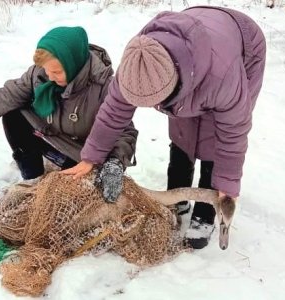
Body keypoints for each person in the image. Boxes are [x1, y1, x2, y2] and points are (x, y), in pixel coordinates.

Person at [61, 6, 266, 249]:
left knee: (212, 140)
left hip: (242, 45)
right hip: (192, 45)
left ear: (175, 83)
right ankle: (177, 197)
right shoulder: (137, 64)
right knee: (183, 128)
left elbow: (233, 134)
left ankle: (205, 212)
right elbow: (113, 112)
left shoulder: (223, 78)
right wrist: (91, 157)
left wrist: (228, 186)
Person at [0, 26, 138, 199]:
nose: (50, 77)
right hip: (50, 136)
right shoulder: (40, 74)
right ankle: (32, 178)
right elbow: (7, 96)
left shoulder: (104, 87)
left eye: (57, 72)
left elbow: (124, 131)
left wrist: (115, 163)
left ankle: (69, 170)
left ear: (73, 64)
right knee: (14, 114)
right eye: (47, 71)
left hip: (83, 155)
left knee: (77, 195)